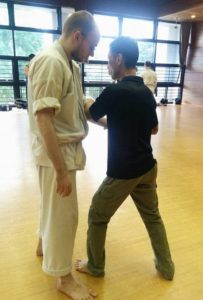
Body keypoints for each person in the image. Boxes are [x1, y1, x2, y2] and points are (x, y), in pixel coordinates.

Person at [75, 37, 175, 281]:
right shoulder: (145, 92)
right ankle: (166, 267)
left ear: (119, 59)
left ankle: (95, 267)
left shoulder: (115, 91)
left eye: (109, 60)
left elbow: (90, 112)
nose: (108, 65)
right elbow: (153, 130)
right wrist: (122, 124)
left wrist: (85, 97)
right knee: (152, 217)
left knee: (97, 215)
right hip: (148, 168)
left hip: (124, 172)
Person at [28, 10, 102, 300]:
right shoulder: (51, 61)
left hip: (62, 150)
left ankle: (42, 244)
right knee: (64, 215)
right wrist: (60, 170)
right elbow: (43, 119)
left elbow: (77, 102)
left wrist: (104, 119)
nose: (93, 52)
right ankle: (64, 278)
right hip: (55, 153)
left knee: (52, 205)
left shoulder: (68, 63)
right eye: (91, 45)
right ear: (77, 36)